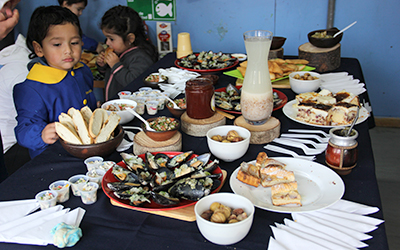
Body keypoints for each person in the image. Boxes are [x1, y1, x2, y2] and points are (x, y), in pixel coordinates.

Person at [13, 6, 97, 159]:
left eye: (74, 42)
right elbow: (23, 130)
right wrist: (41, 134)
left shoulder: (82, 70)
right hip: (54, 157)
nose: (68, 51)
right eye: (57, 44)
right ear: (39, 49)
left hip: (86, 148)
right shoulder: (32, 88)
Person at [96, 5, 158, 101]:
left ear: (130, 39)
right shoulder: (118, 51)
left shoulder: (141, 57)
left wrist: (115, 65)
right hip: (114, 105)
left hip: (129, 108)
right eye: (106, 38)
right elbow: (113, 76)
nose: (107, 43)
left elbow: (134, 83)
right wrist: (103, 66)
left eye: (111, 39)